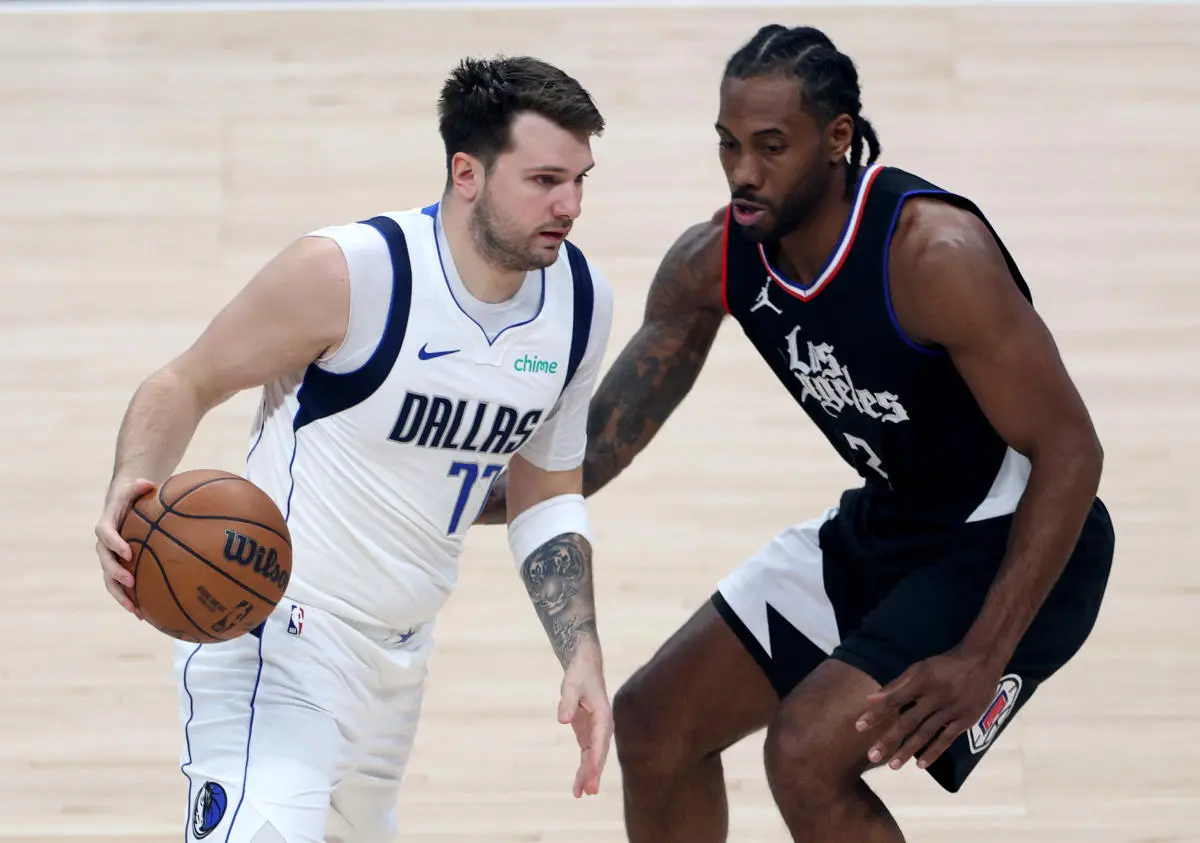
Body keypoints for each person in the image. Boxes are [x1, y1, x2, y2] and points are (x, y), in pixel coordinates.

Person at [477, 24, 1115, 843]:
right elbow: (599, 443)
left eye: (771, 146)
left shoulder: (932, 256)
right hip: (892, 524)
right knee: (655, 722)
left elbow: (1072, 451)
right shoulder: (715, 260)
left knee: (806, 751)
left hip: (1015, 540)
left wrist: (983, 653)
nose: (744, 171)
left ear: (838, 139)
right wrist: (452, 496)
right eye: (728, 144)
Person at [93, 55, 616, 843]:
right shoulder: (350, 274)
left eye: (580, 179)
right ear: (466, 172)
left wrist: (580, 650)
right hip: (274, 627)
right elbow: (186, 380)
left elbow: (546, 493)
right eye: (544, 179)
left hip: (399, 660)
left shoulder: (579, 304)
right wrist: (132, 485)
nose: (570, 204)